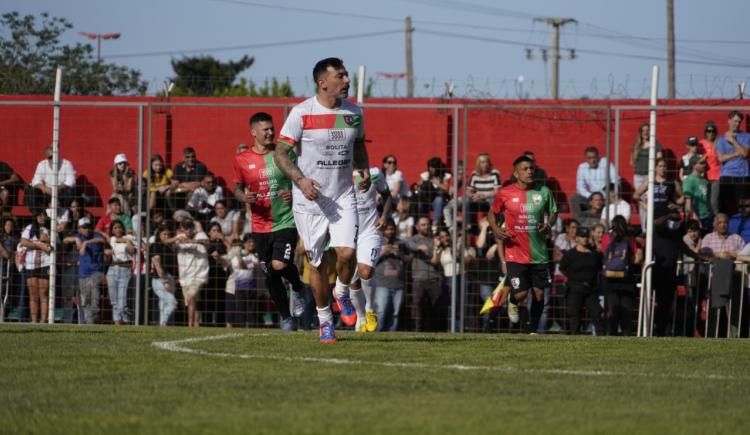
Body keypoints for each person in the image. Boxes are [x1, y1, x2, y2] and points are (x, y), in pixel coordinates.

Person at [274, 58, 370, 343]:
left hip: (342, 196)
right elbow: (280, 153)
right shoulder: (301, 113)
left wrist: (362, 169)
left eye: (347, 75)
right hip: (310, 200)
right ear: (323, 82)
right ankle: (325, 320)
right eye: (340, 76)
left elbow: (360, 145)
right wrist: (301, 180)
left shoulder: (355, 112)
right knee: (316, 264)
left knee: (347, 254)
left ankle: (342, 293)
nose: (347, 80)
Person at [233, 111, 306, 332]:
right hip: (259, 225)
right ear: (253, 132)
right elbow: (236, 187)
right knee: (271, 275)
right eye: (265, 130)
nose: (271, 133)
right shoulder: (242, 160)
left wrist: (293, 193)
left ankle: (297, 285)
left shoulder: (284, 154)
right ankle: (287, 318)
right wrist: (243, 197)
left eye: (272, 129)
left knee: (279, 264)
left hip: (285, 220)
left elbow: (301, 179)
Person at [488, 155, 558, 332]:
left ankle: (533, 330)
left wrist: (549, 224)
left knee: (539, 293)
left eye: (532, 168)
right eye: (525, 169)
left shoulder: (544, 192)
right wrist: (496, 229)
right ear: (516, 173)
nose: (530, 172)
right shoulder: (505, 193)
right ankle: (512, 299)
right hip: (515, 253)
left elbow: (554, 212)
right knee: (520, 294)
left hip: (539, 253)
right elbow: (492, 213)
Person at [349, 166, 393, 332]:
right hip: (348, 234)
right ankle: (360, 317)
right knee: (352, 280)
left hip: (370, 231)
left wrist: (384, 217)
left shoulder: (374, 173)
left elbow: (387, 196)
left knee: (365, 271)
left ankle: (369, 310)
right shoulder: (340, 172)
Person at [601, 215, 641, 336]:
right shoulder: (630, 238)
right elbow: (637, 259)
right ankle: (627, 335)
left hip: (609, 279)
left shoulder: (606, 237)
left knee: (612, 311)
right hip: (626, 279)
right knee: (627, 312)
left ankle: (611, 334)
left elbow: (603, 255)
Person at [559, 226, 604, 335]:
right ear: (577, 238)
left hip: (591, 289)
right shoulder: (570, 254)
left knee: (596, 313)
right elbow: (562, 268)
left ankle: (600, 337)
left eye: (586, 236)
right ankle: (575, 335)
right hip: (575, 288)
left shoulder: (594, 253)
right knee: (574, 314)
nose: (585, 239)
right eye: (582, 236)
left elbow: (599, 266)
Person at [404, 216, 443, 332]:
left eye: (427, 224)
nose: (426, 227)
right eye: (423, 225)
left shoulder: (434, 240)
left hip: (433, 278)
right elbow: (408, 243)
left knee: (434, 307)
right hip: (419, 279)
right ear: (417, 227)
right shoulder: (414, 239)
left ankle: (434, 331)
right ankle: (417, 331)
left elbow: (435, 258)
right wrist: (418, 247)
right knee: (418, 307)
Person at [65, 217, 106, 324]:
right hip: (83, 273)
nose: (86, 229)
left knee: (95, 299)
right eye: (84, 227)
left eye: (88, 227)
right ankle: (90, 324)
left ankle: (95, 319)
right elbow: (65, 240)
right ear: (79, 229)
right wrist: (76, 239)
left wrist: (86, 243)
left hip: (96, 272)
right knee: (85, 301)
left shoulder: (96, 235)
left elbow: (103, 240)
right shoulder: (78, 236)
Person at [373, 219, 407, 332]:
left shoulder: (400, 243)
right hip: (381, 283)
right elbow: (369, 262)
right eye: (387, 229)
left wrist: (400, 254)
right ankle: (378, 333)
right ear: (382, 230)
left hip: (399, 283)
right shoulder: (376, 242)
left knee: (395, 312)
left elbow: (409, 260)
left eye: (392, 229)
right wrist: (382, 252)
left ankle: (392, 334)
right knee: (381, 311)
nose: (390, 231)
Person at [174, 219, 209, 327]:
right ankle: (196, 325)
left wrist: (193, 241)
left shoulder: (199, 236)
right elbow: (166, 242)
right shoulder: (178, 240)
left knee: (190, 297)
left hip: (199, 275)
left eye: (190, 228)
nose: (188, 231)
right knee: (192, 302)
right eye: (185, 228)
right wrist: (178, 238)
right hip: (185, 277)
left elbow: (207, 242)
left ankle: (189, 326)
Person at [20, 212, 52, 323]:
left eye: (44, 215)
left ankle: (43, 321)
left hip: (45, 263)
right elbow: (23, 242)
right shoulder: (30, 228)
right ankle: (34, 321)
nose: (42, 217)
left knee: (43, 294)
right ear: (35, 216)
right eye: (40, 215)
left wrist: (48, 240)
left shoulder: (50, 228)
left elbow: (56, 244)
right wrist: (39, 245)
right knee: (33, 294)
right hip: (30, 264)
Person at [716, 110, 750, 216]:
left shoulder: (746, 136)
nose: (737, 124)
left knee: (743, 208)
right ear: (729, 121)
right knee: (725, 208)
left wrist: (732, 141)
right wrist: (736, 154)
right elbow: (721, 159)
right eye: (735, 121)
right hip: (726, 176)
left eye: (739, 122)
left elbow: (745, 154)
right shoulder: (721, 139)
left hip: (742, 176)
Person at [25, 145, 77, 212]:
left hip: (61, 192)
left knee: (69, 190)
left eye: (54, 156)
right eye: (50, 157)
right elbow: (35, 181)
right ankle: (37, 215)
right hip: (47, 193)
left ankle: (64, 212)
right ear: (46, 158)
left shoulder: (67, 164)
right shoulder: (42, 165)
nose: (53, 159)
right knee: (32, 191)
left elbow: (71, 181)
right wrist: (45, 188)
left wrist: (56, 189)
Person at [570, 147, 619, 215]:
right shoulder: (582, 167)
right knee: (574, 198)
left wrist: (607, 194)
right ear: (585, 158)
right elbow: (580, 188)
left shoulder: (605, 162)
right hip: (590, 197)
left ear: (598, 156)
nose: (592, 160)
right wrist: (592, 197)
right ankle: (580, 222)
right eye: (589, 158)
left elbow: (615, 180)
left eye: (594, 157)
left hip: (606, 197)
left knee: (614, 198)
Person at [104, 220, 135, 326]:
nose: (118, 229)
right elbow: (105, 252)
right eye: (115, 228)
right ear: (112, 230)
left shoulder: (129, 238)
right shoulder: (111, 240)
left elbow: (132, 251)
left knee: (123, 302)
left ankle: (127, 321)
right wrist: (107, 252)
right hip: (112, 269)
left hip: (125, 269)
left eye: (119, 227)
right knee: (114, 301)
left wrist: (127, 241)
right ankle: (118, 326)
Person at [225, 234, 259, 328]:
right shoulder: (236, 257)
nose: (251, 244)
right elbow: (240, 265)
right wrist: (239, 255)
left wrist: (240, 256)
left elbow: (248, 266)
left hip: (252, 288)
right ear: (244, 244)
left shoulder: (255, 255)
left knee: (252, 312)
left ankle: (253, 331)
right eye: (249, 242)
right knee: (241, 311)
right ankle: (241, 329)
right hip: (240, 288)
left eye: (253, 242)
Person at [150, 224, 178, 326]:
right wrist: (164, 281)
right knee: (172, 303)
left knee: (163, 304)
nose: (166, 236)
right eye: (164, 234)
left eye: (168, 234)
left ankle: (162, 326)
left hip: (170, 277)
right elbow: (157, 265)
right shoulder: (155, 246)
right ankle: (163, 323)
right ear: (159, 235)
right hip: (159, 279)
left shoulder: (170, 248)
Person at [416, 157, 452, 227]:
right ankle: (422, 224)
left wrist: (437, 183)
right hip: (426, 199)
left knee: (439, 200)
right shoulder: (426, 175)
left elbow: (446, 189)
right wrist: (420, 186)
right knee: (419, 203)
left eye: (433, 167)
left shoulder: (444, 176)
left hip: (437, 199)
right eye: (430, 167)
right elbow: (417, 186)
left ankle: (435, 224)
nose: (431, 169)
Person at [682, 157, 713, 233]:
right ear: (694, 165)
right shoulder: (689, 181)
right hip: (696, 218)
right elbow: (688, 203)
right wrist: (696, 218)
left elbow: (708, 199)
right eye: (701, 163)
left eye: (704, 163)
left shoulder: (705, 181)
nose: (704, 165)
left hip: (707, 216)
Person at [700, 121, 721, 216]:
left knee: (714, 202)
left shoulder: (719, 143)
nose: (710, 133)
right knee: (704, 201)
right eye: (708, 131)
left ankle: (716, 223)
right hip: (704, 177)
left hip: (716, 177)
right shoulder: (701, 143)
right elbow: (697, 158)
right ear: (705, 132)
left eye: (713, 131)